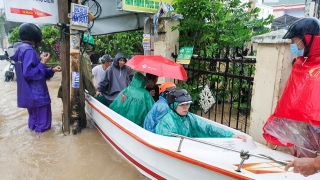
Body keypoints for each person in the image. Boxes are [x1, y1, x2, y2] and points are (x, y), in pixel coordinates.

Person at [263, 17, 320, 157]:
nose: (294, 46)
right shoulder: (302, 63)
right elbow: (290, 101)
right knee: (301, 165)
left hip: (315, 133)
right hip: (305, 133)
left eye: (295, 41)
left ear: (307, 39)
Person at [10, 23, 61, 133]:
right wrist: (43, 62)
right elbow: (29, 73)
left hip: (28, 95)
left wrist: (51, 70)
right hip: (38, 96)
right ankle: (43, 147)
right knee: (43, 126)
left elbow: (31, 71)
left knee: (33, 123)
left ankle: (34, 146)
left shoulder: (16, 48)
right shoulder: (29, 50)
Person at [155, 89, 246, 141]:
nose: (186, 107)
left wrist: (230, 135)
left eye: (187, 104)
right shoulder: (166, 123)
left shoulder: (189, 117)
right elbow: (166, 144)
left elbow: (207, 128)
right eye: (182, 105)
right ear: (173, 105)